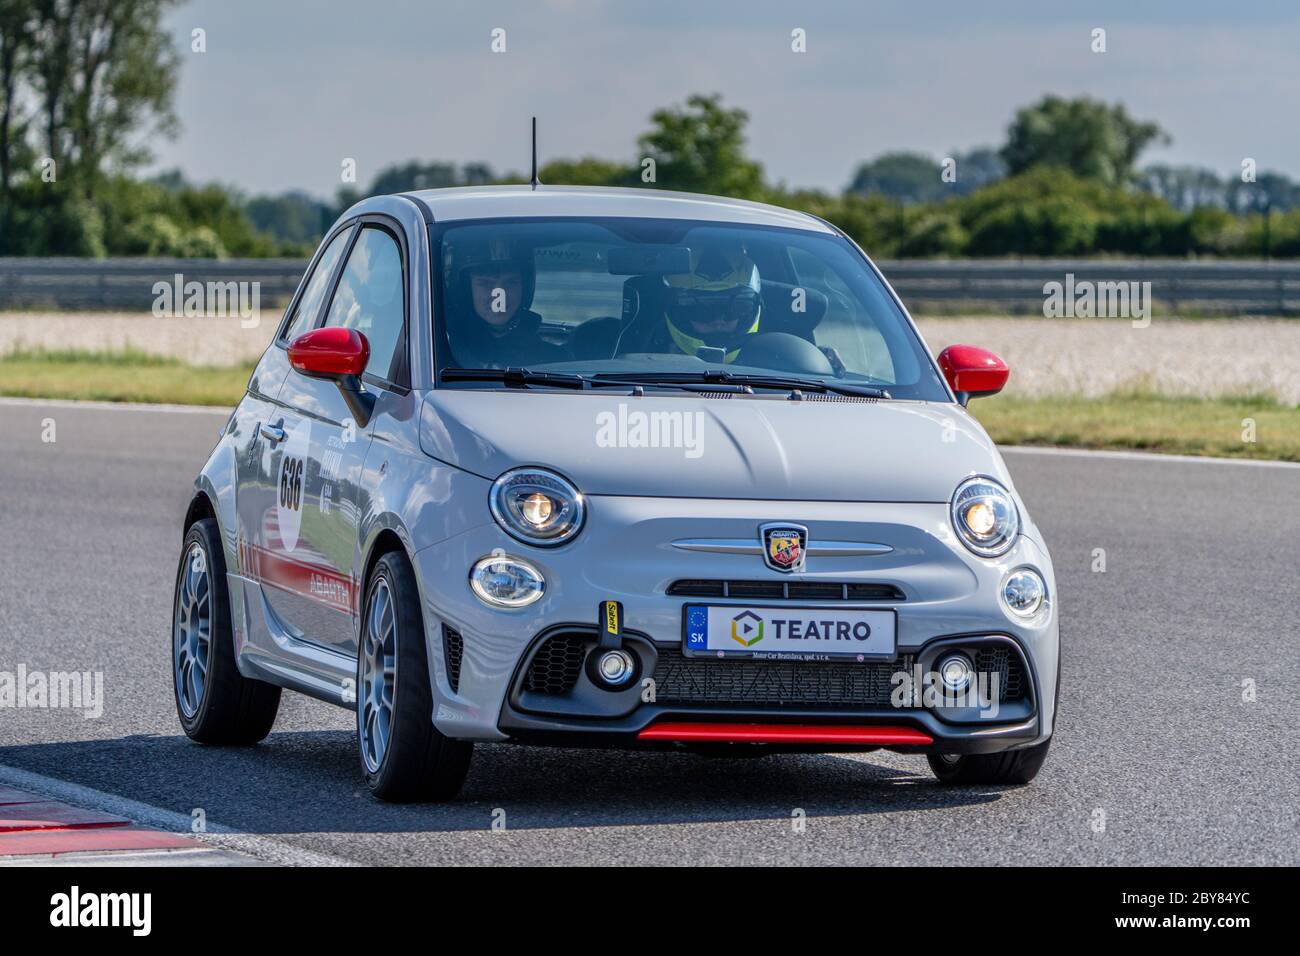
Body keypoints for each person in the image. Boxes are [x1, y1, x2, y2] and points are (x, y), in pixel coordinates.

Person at [444, 238, 568, 368]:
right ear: (466, 290)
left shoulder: (556, 362)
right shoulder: (440, 354)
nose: (499, 295)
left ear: (525, 288)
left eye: (510, 283)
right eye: (485, 284)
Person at [641, 245, 763, 362]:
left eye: (734, 308)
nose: (718, 322)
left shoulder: (775, 359)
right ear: (677, 313)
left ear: (749, 311)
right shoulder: (642, 363)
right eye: (700, 311)